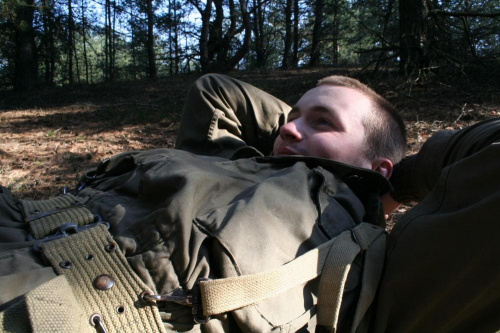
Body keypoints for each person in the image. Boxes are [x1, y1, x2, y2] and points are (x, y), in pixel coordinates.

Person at [0, 73, 498, 332]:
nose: (287, 126)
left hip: (49, 311)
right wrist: (309, 131)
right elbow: (216, 93)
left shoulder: (373, 262)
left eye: (322, 121)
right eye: (291, 114)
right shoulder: (233, 158)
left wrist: (391, 179)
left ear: (380, 167)